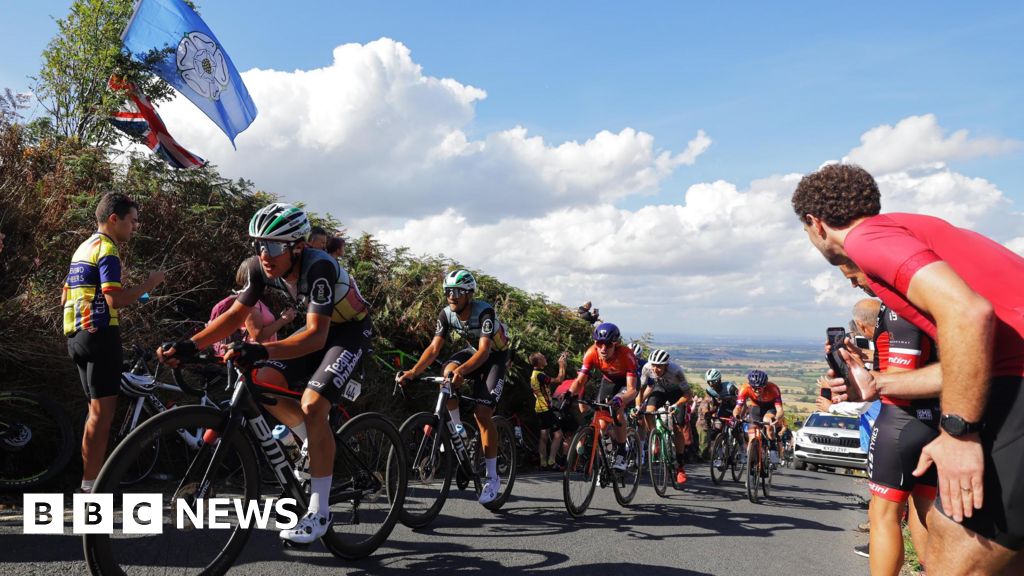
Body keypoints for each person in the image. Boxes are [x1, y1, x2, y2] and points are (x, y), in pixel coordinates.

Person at [794, 163, 1024, 574]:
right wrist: (878, 382)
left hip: (1017, 383)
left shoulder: (867, 239)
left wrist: (958, 432)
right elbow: (970, 359)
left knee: (956, 562)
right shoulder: (907, 230)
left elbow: (970, 314)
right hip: (1008, 374)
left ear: (816, 224)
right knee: (951, 543)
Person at [159, 202, 372, 544]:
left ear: (297, 247)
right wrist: (191, 345)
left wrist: (261, 348)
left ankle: (319, 513)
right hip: (318, 331)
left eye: (272, 246)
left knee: (315, 403)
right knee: (264, 379)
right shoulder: (260, 268)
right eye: (258, 245)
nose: (264, 254)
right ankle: (309, 439)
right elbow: (231, 316)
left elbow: (317, 336)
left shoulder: (320, 267)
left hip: (347, 333)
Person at [63, 192, 166, 494]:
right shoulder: (108, 249)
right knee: (102, 417)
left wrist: (141, 295)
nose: (136, 226)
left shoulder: (84, 247)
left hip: (77, 335)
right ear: (113, 219)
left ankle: (88, 483)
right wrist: (151, 282)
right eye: (132, 221)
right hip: (100, 336)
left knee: (94, 414)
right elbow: (114, 299)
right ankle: (94, 488)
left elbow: (66, 292)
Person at [396, 269, 512, 505]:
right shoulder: (446, 314)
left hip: (495, 357)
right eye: (448, 291)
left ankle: (492, 477)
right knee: (447, 372)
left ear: (469, 294)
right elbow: (434, 348)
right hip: (475, 353)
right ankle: (457, 428)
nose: (452, 296)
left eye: (458, 292)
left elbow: (484, 352)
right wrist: (413, 371)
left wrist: (462, 371)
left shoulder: (484, 312)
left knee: (482, 414)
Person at [569, 322, 638, 471]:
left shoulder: (626, 355)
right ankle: (606, 451)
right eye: (599, 344)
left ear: (616, 344)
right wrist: (569, 394)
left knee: (617, 410)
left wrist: (621, 399)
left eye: (608, 345)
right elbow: (580, 380)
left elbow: (632, 390)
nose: (603, 349)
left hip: (625, 383)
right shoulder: (591, 353)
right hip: (608, 381)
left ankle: (621, 453)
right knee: (602, 423)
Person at [635, 349, 692, 484]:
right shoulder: (647, 368)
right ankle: (655, 437)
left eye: (659, 366)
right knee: (648, 412)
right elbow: (640, 390)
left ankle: (680, 466)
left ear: (666, 365)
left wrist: (677, 405)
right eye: (654, 365)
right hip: (660, 390)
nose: (656, 369)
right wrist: (638, 406)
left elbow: (688, 394)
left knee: (678, 428)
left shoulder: (676, 371)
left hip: (677, 394)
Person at [732, 369, 785, 466]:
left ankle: (773, 449)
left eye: (759, 388)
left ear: (764, 386)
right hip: (756, 407)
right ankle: (753, 454)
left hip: (770, 407)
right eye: (754, 388)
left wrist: (776, 418)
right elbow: (737, 407)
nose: (756, 390)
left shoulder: (773, 388)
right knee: (751, 430)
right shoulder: (744, 388)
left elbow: (780, 410)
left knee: (767, 423)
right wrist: (737, 416)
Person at [529, 351, 567, 470]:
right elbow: (559, 380)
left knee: (544, 435)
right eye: (543, 357)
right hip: (545, 408)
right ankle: (551, 461)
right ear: (539, 361)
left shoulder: (535, 374)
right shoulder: (540, 375)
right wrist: (562, 365)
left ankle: (543, 463)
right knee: (558, 434)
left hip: (539, 407)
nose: (545, 358)